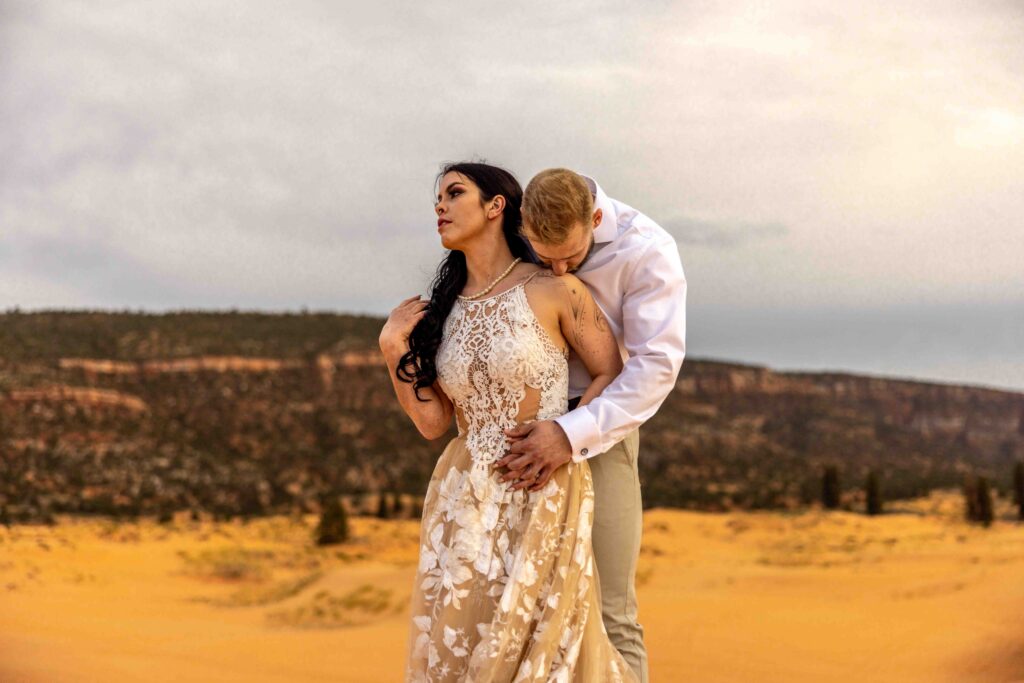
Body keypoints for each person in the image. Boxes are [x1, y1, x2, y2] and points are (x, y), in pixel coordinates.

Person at [379, 161, 638, 682]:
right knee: (463, 647)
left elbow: (612, 370)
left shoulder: (556, 289)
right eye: (439, 197)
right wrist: (392, 350)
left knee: (543, 645)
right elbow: (433, 424)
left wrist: (567, 437)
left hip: (541, 484)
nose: (440, 206)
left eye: (455, 193)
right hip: (464, 495)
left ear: (497, 206)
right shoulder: (440, 313)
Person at [493, 168, 687, 683]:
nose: (556, 269)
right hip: (516, 437)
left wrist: (569, 433)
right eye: (542, 255)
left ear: (595, 218)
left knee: (609, 609)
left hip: (600, 433)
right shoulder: (514, 235)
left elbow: (655, 368)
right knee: (516, 607)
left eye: (571, 257)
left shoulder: (647, 250)